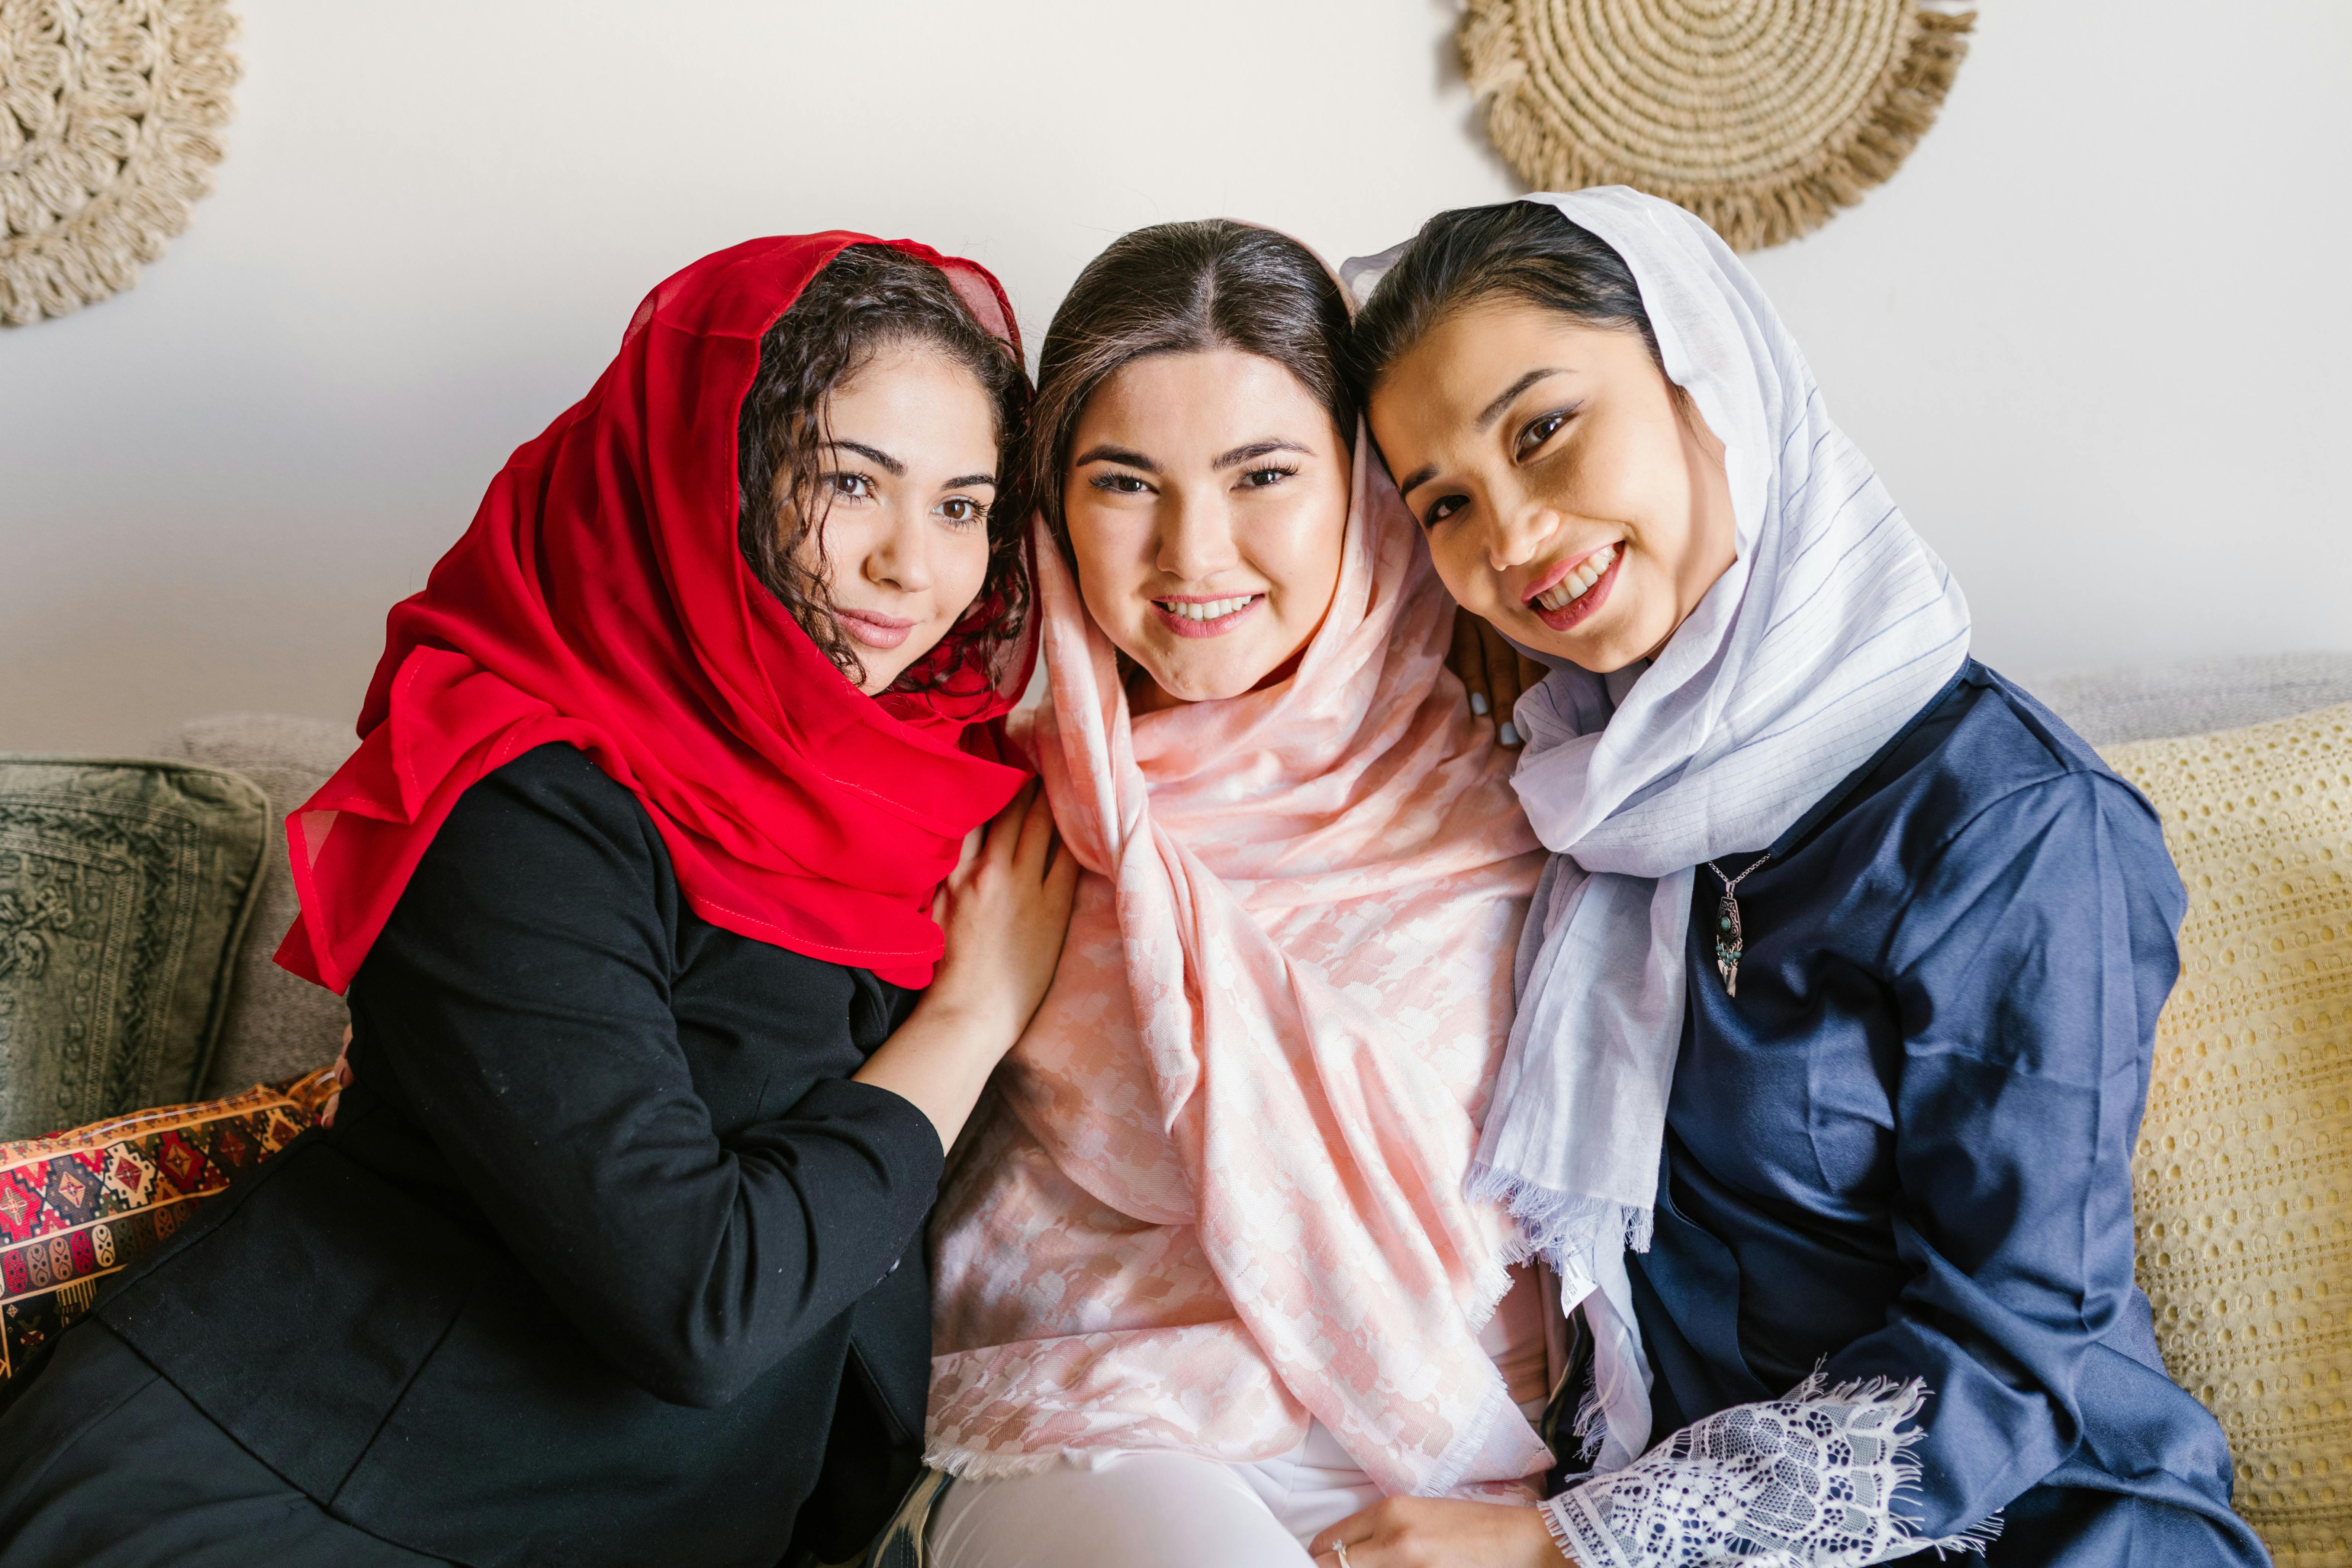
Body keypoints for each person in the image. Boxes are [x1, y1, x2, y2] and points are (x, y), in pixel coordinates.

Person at [0, 235, 1078, 1568]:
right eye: (850, 481)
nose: (911, 569)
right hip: (297, 1489)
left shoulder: (938, 799)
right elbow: (701, 1302)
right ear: (706, 473)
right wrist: (968, 1020)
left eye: (965, 506)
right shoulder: (516, 794)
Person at [1304, 190, 2269, 1568]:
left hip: (2046, 1534)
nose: (1511, 541)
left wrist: (1569, 1546)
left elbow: (2009, 1355)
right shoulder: (1593, 792)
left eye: (1545, 431)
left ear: (1711, 378)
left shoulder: (2012, 825)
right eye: (1447, 505)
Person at [917, 220, 1559, 1568]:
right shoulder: (992, 809)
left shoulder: (1536, 791)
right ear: (1052, 512)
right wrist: (973, 1007)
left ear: (1363, 489)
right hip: (1098, 1429)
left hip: (1468, 1461)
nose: (1194, 554)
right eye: (1125, 483)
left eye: (1262, 472)